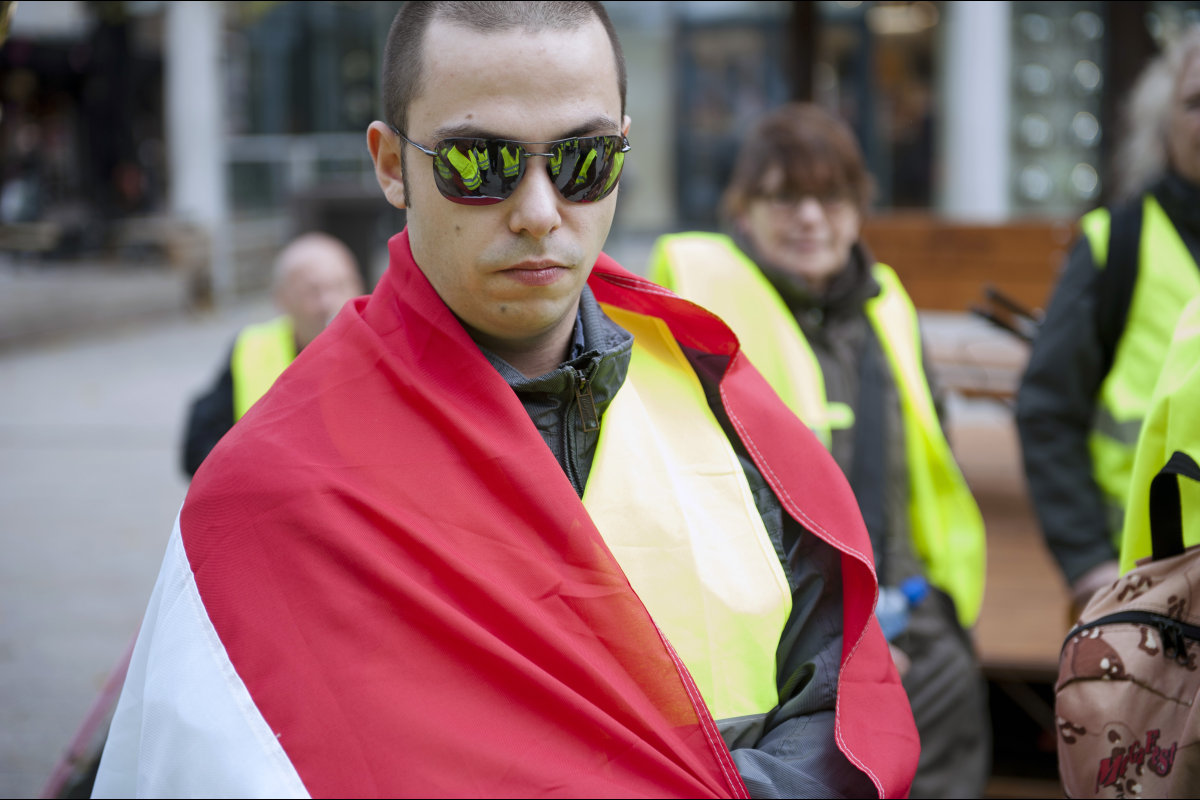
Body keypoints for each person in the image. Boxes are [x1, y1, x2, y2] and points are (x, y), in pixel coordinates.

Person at [91, 3, 918, 797]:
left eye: (584, 160)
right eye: (478, 163)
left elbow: (840, 709)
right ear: (390, 165)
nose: (537, 211)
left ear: (625, 148)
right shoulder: (272, 488)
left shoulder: (715, 399)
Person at [648, 102, 989, 798]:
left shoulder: (888, 307)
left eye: (830, 196)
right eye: (784, 196)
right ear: (743, 209)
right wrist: (851, 643)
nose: (810, 217)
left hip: (921, 622)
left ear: (859, 207)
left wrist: (931, 615)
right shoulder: (695, 307)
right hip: (792, 647)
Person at [1015, 24, 1200, 618]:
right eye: (1195, 103)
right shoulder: (1117, 245)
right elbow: (1048, 410)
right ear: (1162, 125)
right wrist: (1087, 561)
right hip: (1151, 592)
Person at [180, 231, 364, 476]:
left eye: (340, 286)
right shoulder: (251, 348)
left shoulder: (381, 349)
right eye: (312, 290)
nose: (328, 302)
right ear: (281, 298)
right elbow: (199, 449)